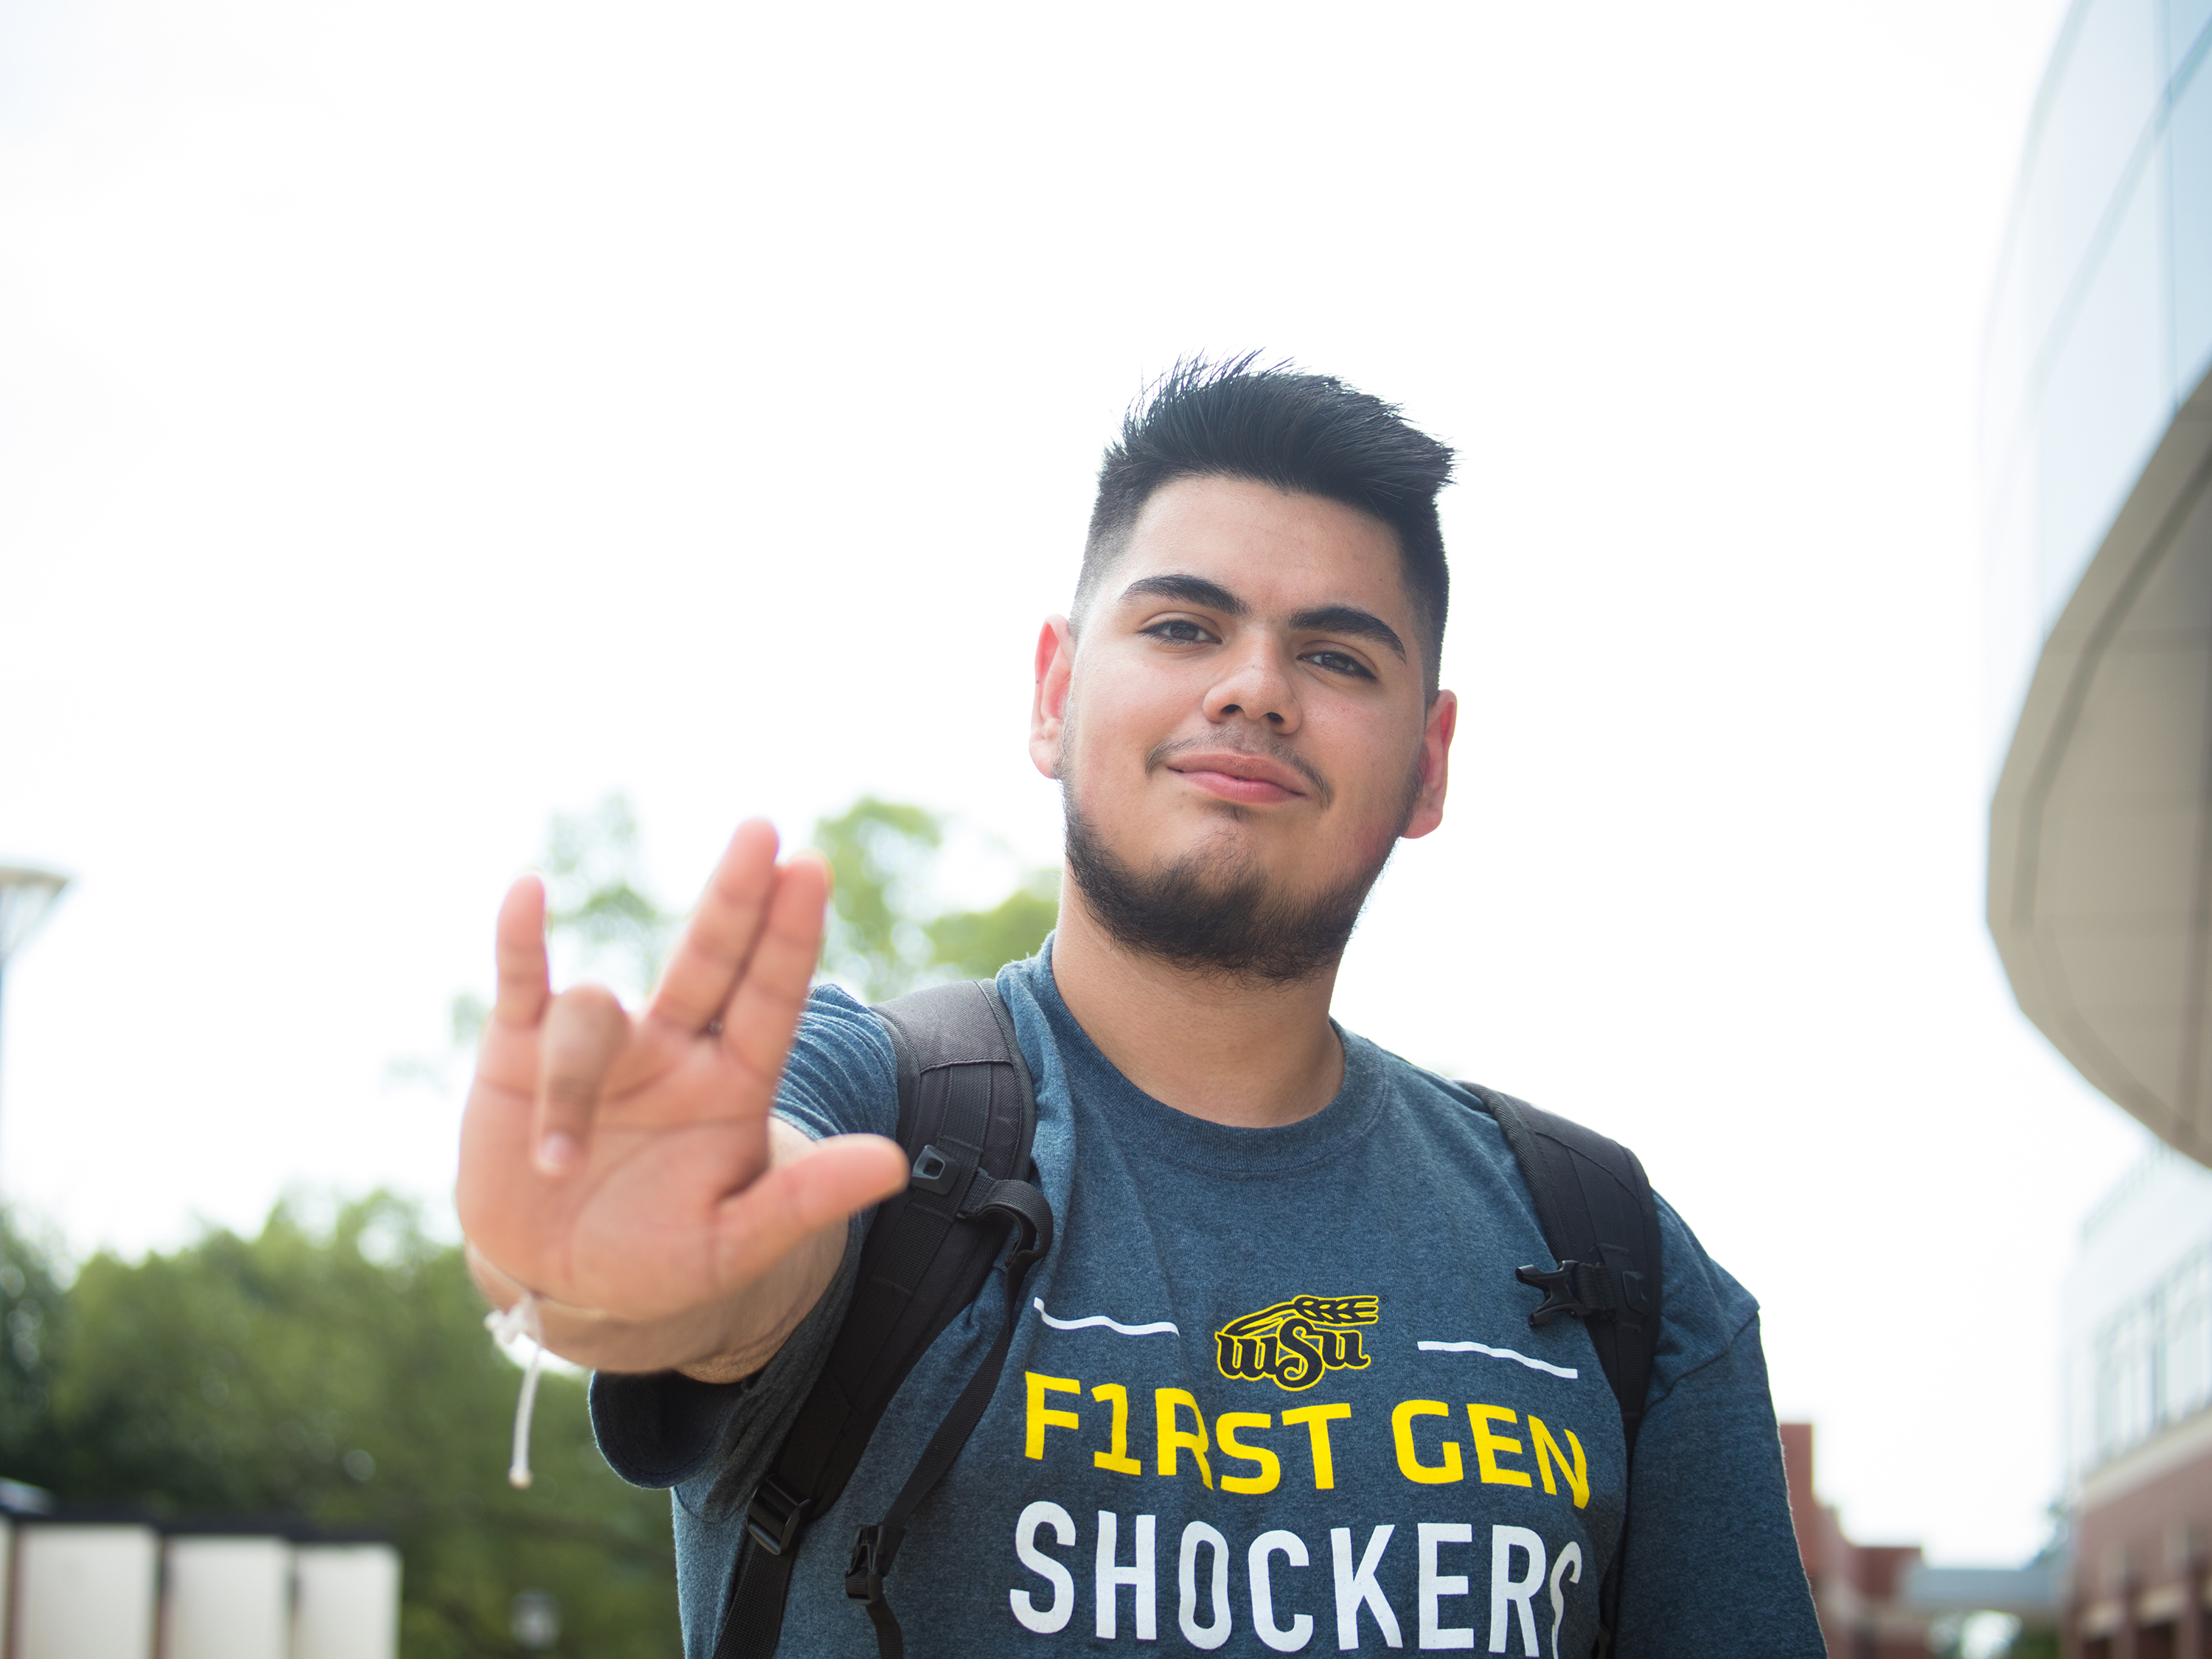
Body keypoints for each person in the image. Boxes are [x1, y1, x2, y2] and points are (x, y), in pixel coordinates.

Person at [456, 360, 1824, 1656]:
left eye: (1340, 657)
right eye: (1182, 626)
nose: (1254, 687)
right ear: (1054, 694)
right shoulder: (874, 1104)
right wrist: (624, 1274)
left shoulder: (1620, 1262)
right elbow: (749, 1235)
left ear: (1430, 763)